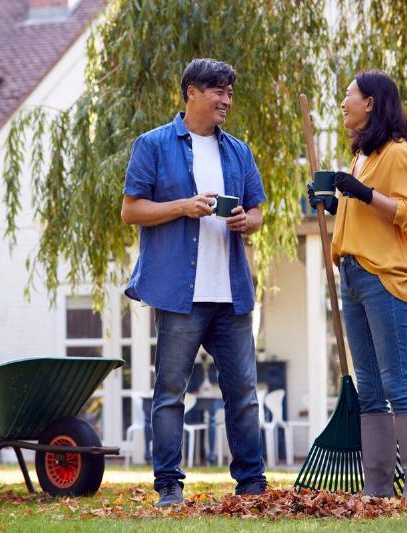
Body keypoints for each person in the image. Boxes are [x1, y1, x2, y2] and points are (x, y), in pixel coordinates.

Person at [121, 58, 267, 508]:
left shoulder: (239, 151)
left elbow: (258, 212)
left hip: (231, 293)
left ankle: (252, 485)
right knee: (170, 394)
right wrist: (182, 207)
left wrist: (246, 221)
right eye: (218, 92)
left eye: (230, 93)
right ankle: (169, 485)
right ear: (192, 93)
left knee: (243, 395)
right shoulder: (153, 145)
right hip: (179, 296)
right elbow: (131, 210)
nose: (226, 101)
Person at [307, 70, 407, 506]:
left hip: (383, 278)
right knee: (370, 387)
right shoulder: (361, 155)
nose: (343, 103)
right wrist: (334, 205)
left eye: (350, 95)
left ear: (371, 103)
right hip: (352, 275)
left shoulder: (398, 153)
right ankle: (376, 486)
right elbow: (365, 216)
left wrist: (363, 192)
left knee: (396, 381)